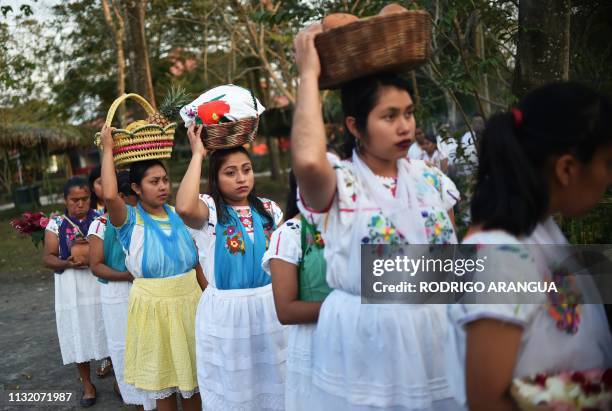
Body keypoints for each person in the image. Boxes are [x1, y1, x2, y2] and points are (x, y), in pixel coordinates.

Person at [290, 24, 461, 410]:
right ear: (355, 126)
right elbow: (306, 159)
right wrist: (308, 76)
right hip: (367, 342)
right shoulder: (341, 183)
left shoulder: (431, 180)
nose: (405, 126)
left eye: (409, 113)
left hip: (436, 335)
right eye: (389, 116)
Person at [446, 82, 612, 411]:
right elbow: (487, 401)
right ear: (567, 168)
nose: (609, 178)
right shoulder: (502, 259)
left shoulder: (540, 231)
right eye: (608, 164)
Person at [176, 84, 286, 410]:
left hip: (268, 310)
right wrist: (198, 154)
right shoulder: (209, 212)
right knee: (235, 389)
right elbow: (183, 206)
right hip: (227, 316)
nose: (241, 179)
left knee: (274, 385)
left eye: (247, 170)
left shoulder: (269, 210)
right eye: (230, 172)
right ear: (216, 177)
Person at [99, 125, 204, 411]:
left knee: (194, 385)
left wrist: (210, 300)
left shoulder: (180, 214)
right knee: (164, 389)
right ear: (135, 188)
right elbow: (110, 196)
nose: (163, 186)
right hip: (154, 310)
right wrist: (107, 150)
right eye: (154, 181)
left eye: (165, 180)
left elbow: (197, 266)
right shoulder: (129, 221)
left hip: (190, 305)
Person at [262, 171, 332, 410]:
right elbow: (286, 310)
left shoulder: (359, 228)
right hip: (317, 345)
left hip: (360, 336)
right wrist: (345, 306)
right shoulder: (289, 234)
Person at [88, 171, 156, 411]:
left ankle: (158, 400)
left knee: (150, 346)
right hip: (117, 294)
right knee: (126, 347)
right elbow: (96, 266)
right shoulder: (101, 223)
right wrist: (126, 276)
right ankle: (139, 402)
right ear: (120, 196)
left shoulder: (146, 218)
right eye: (130, 199)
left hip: (147, 290)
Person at [43, 176, 108, 408]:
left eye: (85, 199)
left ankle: (120, 380)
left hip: (99, 283)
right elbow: (48, 258)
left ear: (91, 198)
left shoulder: (102, 220)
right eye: (74, 200)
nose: (80, 204)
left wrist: (96, 258)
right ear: (65, 200)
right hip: (71, 288)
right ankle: (87, 385)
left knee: (107, 326)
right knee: (78, 332)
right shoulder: (56, 224)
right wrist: (68, 263)